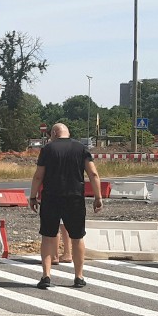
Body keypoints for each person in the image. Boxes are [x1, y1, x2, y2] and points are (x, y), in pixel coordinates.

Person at [29, 123, 103, 289]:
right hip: (75, 198)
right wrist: (98, 197)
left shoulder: (48, 149)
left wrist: (33, 196)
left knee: (48, 236)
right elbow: (93, 173)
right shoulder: (81, 149)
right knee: (77, 237)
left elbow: (38, 176)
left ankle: (46, 276)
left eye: (50, 134)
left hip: (51, 198)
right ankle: (78, 277)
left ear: (55, 133)